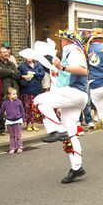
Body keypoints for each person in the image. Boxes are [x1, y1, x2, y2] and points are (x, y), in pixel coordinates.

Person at [34, 30, 88, 184]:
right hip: (76, 95)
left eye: (62, 40)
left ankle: (56, 129)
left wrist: (61, 67)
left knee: (38, 101)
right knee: (71, 135)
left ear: (67, 41)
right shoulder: (69, 53)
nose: (61, 42)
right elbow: (68, 74)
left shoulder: (74, 50)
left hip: (75, 92)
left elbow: (84, 71)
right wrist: (59, 71)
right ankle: (76, 167)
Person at [0, 47, 21, 135]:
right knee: (1, 110)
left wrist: (10, 72)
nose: (6, 54)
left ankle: (11, 126)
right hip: (2, 90)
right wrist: (10, 71)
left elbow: (17, 75)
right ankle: (1, 128)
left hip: (13, 90)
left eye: (7, 52)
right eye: (4, 52)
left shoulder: (11, 63)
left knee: (12, 110)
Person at [18, 52, 45, 131]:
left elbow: (42, 74)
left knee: (34, 108)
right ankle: (28, 124)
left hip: (36, 89)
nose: (29, 58)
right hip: (26, 89)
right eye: (27, 56)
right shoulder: (22, 66)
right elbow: (18, 75)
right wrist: (24, 76)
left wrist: (34, 73)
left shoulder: (38, 65)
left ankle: (34, 124)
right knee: (27, 107)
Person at [0, 87, 25, 154]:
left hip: (17, 120)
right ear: (9, 95)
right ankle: (12, 147)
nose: (15, 95)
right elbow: (2, 110)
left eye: (16, 94)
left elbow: (22, 111)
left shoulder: (19, 102)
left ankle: (19, 147)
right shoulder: (5, 103)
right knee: (12, 135)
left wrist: (23, 119)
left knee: (18, 135)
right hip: (9, 121)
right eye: (13, 94)